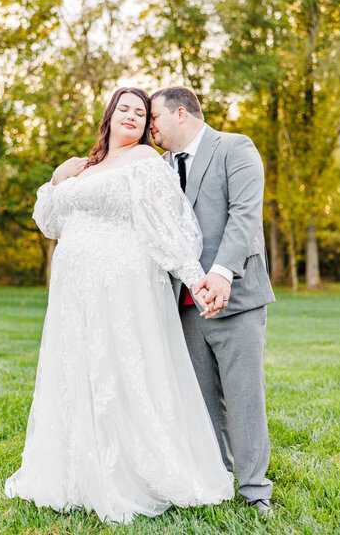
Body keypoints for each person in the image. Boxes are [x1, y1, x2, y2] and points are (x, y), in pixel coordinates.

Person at [5, 87, 234, 524]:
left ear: (148, 124)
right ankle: (75, 468)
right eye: (124, 108)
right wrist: (58, 176)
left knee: (121, 368)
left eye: (141, 112)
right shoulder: (83, 167)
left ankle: (131, 471)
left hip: (123, 284)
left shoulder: (147, 162)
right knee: (78, 371)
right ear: (110, 115)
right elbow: (51, 223)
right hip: (73, 291)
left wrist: (194, 277)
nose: (132, 115)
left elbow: (168, 226)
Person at [150, 86, 276, 517]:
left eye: (155, 118)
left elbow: (244, 215)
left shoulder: (235, 148)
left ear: (180, 113)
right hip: (183, 306)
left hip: (236, 298)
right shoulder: (158, 168)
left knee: (243, 396)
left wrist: (221, 273)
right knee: (201, 400)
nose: (151, 127)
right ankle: (216, 476)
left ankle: (255, 489)